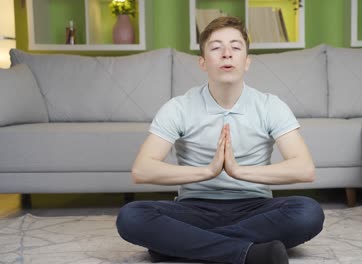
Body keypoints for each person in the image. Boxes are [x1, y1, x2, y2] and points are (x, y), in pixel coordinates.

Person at [116, 16, 324, 264]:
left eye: (236, 47)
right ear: (203, 62)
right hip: (193, 208)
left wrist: (238, 171)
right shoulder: (179, 107)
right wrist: (208, 171)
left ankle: (179, 246)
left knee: (308, 212)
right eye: (216, 48)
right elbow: (142, 170)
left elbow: (304, 169)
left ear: (247, 62)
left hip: (254, 208)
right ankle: (247, 253)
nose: (227, 54)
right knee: (131, 216)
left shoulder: (270, 105)